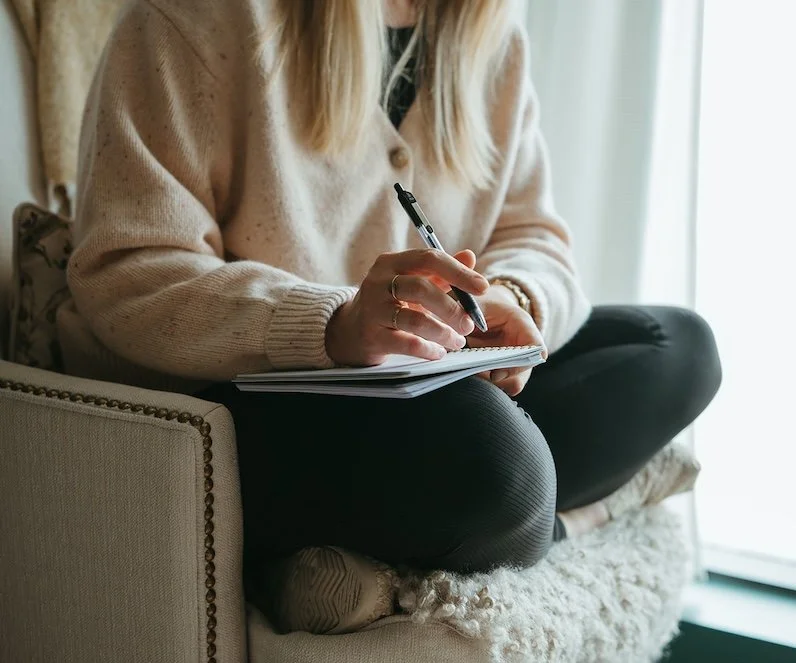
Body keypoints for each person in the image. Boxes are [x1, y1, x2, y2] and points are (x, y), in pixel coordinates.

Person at [60, 0, 722, 635]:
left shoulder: (489, 41)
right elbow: (127, 268)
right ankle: (561, 515)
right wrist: (332, 323)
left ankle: (359, 566)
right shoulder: (194, 19)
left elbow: (536, 236)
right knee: (503, 470)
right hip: (246, 413)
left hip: (433, 395)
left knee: (679, 347)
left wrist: (511, 298)